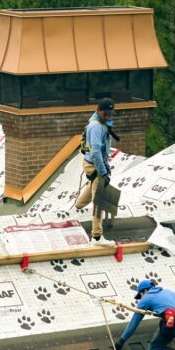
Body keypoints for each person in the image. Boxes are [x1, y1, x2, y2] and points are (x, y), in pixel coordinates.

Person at [75, 98, 117, 247]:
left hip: (90, 163)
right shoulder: (96, 126)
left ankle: (78, 206)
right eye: (106, 114)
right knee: (100, 199)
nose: (108, 117)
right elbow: (97, 152)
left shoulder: (97, 121)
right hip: (95, 164)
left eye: (110, 114)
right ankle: (97, 237)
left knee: (95, 183)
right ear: (98, 110)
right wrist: (103, 172)